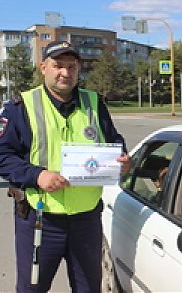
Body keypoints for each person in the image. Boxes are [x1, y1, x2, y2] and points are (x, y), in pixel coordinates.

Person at [0, 40, 130, 293]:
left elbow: (113, 141)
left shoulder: (94, 103)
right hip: (40, 219)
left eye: (72, 66)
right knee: (31, 289)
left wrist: (122, 158)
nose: (65, 73)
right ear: (43, 67)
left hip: (87, 219)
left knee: (88, 288)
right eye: (58, 65)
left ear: (79, 69)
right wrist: (37, 175)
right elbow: (3, 155)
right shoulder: (21, 107)